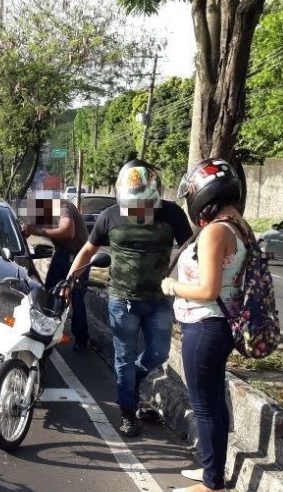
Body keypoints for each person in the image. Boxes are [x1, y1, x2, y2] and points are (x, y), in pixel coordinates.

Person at [67, 159, 193, 437]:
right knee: (124, 357)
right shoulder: (110, 216)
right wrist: (70, 278)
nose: (139, 212)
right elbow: (88, 250)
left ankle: (132, 380)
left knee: (159, 353)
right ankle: (127, 412)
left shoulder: (171, 214)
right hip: (121, 300)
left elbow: (192, 249)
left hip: (159, 300)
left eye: (145, 206)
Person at [161, 158, 249, 492]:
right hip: (219, 325)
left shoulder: (215, 232)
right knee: (214, 402)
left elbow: (207, 289)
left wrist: (172, 286)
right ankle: (213, 468)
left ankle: (213, 484)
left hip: (206, 323)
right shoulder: (236, 225)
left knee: (205, 406)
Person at [22, 192, 91, 351]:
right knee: (49, 293)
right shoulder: (47, 213)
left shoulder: (63, 207)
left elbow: (68, 232)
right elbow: (28, 230)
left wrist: (38, 231)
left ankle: (81, 340)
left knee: (75, 296)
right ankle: (45, 332)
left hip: (76, 256)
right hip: (63, 254)